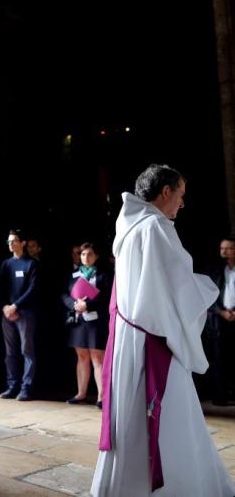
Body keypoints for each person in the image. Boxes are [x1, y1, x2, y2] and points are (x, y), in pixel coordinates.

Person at [92, 164, 235, 496]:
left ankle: (124, 485)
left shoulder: (128, 228)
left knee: (130, 415)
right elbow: (178, 286)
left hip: (129, 336)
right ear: (165, 191)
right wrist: (209, 291)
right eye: (180, 195)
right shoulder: (156, 226)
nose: (182, 203)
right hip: (153, 338)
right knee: (172, 415)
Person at [61, 242, 112, 408]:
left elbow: (107, 297)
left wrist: (87, 305)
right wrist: (74, 304)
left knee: (97, 358)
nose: (86, 257)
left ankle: (101, 397)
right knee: (82, 356)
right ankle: (81, 393)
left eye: (90, 254)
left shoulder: (104, 275)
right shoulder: (74, 274)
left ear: (96, 256)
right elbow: (64, 294)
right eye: (83, 254)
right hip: (79, 320)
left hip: (96, 321)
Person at [0, 229, 39, 401]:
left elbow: (33, 289)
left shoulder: (31, 264)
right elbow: (1, 288)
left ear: (23, 243)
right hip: (7, 313)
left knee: (27, 350)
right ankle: (12, 385)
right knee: (10, 352)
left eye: (14, 241)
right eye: (8, 241)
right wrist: (5, 307)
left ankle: (26, 387)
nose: (10, 244)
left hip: (25, 312)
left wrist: (16, 306)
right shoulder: (6, 264)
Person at [205, 236, 235, 405]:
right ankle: (220, 396)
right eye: (222, 248)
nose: (224, 252)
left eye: (228, 248)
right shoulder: (214, 271)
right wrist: (221, 312)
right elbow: (208, 296)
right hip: (219, 321)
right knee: (219, 359)